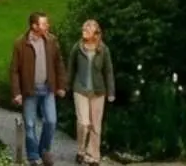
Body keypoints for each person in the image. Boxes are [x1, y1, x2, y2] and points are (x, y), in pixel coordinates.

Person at [9, 12, 64, 166]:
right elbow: (14, 70)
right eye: (44, 24)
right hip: (30, 91)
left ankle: (44, 150)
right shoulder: (20, 43)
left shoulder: (52, 41)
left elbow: (59, 63)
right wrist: (17, 92)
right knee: (30, 124)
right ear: (34, 26)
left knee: (51, 121)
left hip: (47, 89)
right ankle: (33, 157)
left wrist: (61, 85)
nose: (48, 26)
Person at [68, 19, 116, 166]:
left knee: (96, 125)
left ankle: (93, 155)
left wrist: (111, 91)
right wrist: (65, 86)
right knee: (83, 123)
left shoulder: (103, 49)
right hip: (80, 89)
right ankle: (81, 150)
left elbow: (108, 72)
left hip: (98, 91)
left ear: (96, 33)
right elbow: (71, 68)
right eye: (83, 28)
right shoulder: (78, 47)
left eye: (87, 29)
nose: (84, 31)